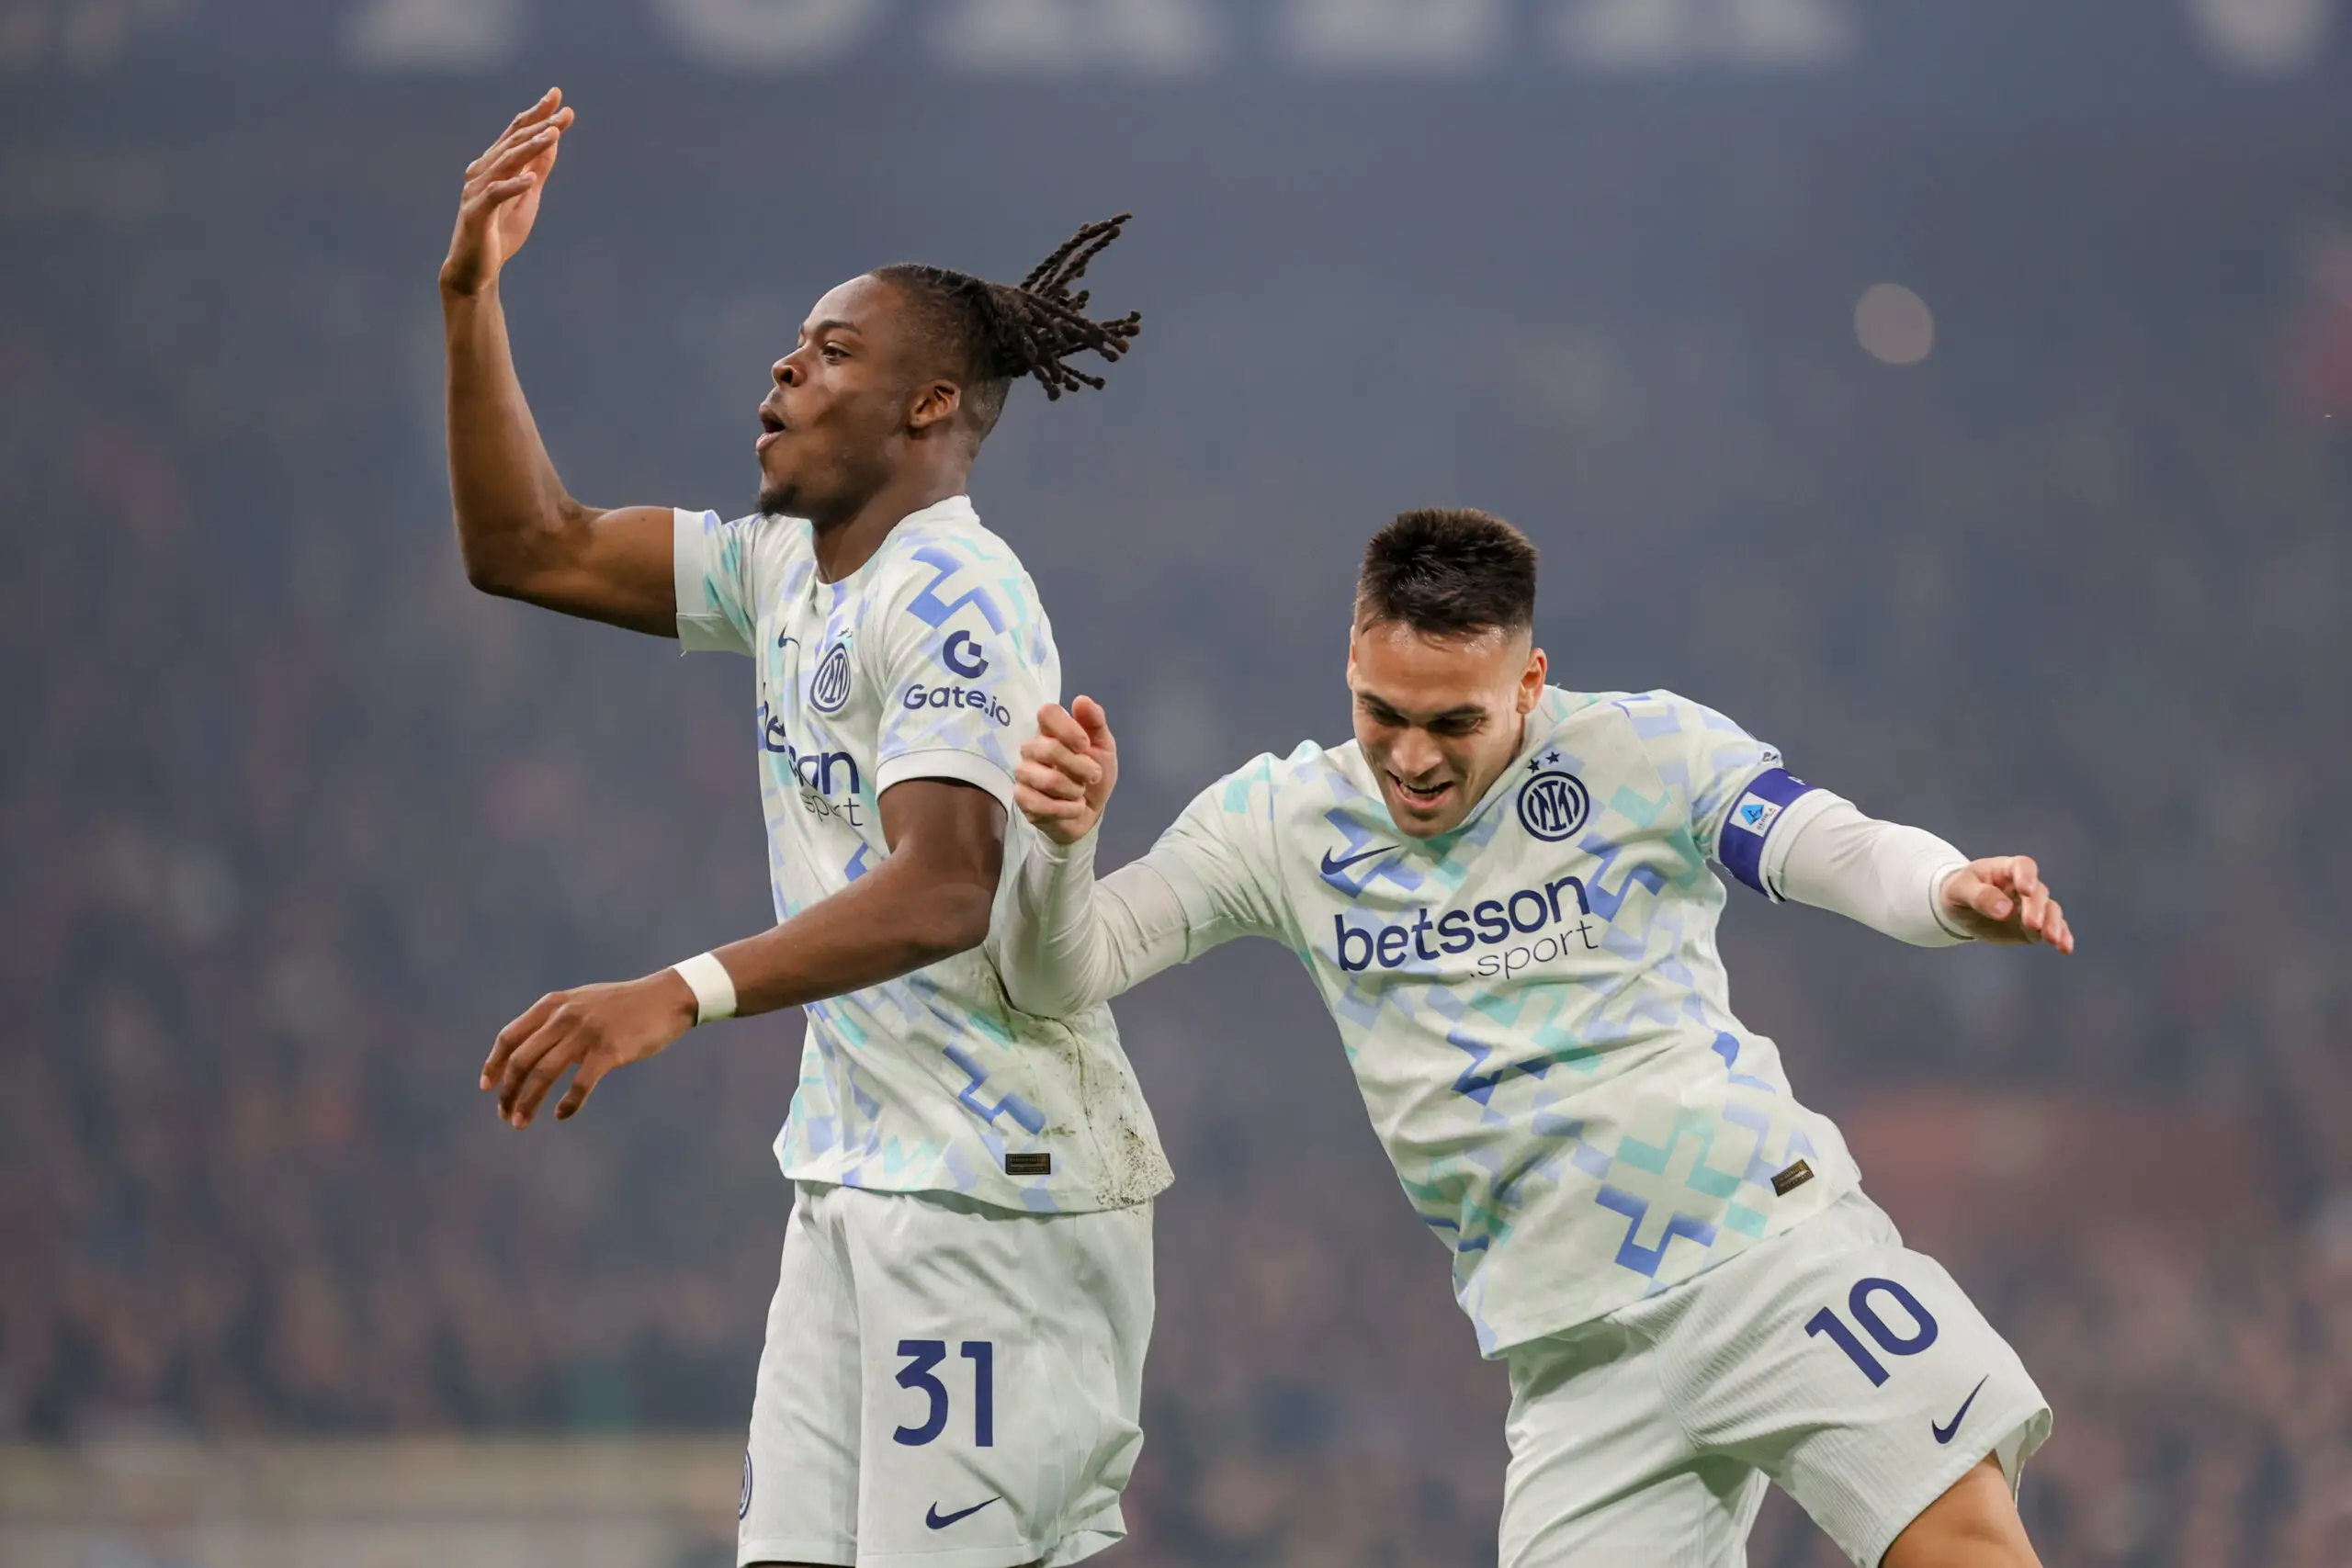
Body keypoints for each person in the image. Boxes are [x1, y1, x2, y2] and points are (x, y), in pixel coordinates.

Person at [1002, 507, 2074, 1568]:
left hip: (1762, 1251)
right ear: (1350, 663)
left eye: (1453, 723)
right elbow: (1064, 973)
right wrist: (1061, 847)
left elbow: (1823, 841)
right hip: (1573, 1352)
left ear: (1528, 682)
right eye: (1382, 712)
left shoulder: (1643, 750)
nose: (1412, 757)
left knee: (1958, 1543)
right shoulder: (1280, 823)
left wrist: (1943, 888)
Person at [441, 89, 1171, 1568]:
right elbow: (528, 546)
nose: (783, 367)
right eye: (794, 344)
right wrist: (471, 298)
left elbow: (948, 884)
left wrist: (678, 990)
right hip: (852, 1175)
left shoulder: (954, 594)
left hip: (993, 1194)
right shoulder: (785, 569)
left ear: (927, 406)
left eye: (833, 350)